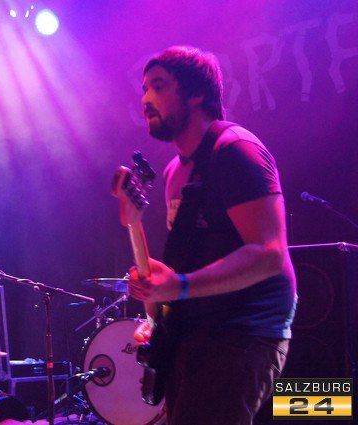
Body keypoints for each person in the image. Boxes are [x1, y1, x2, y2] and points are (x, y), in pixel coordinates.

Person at [127, 46, 297, 424]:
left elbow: (269, 253)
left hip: (243, 332)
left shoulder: (235, 150)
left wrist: (180, 286)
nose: (146, 99)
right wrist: (159, 300)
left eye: (158, 86)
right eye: (144, 88)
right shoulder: (174, 172)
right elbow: (189, 263)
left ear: (196, 94)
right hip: (197, 333)